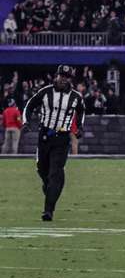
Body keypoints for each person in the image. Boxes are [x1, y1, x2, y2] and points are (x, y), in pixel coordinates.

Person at [22, 65, 85, 221]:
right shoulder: (45, 92)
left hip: (62, 138)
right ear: (56, 76)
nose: (63, 79)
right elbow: (30, 104)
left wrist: (80, 128)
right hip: (45, 136)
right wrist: (26, 121)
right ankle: (51, 188)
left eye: (67, 77)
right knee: (43, 171)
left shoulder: (76, 97)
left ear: (70, 79)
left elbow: (81, 111)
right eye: (61, 76)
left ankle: (48, 210)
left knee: (55, 172)